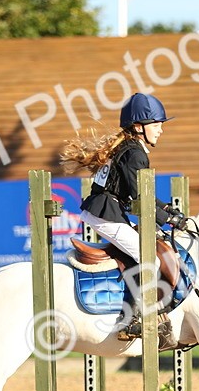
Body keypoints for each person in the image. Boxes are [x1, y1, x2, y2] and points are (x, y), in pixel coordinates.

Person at [60, 93, 185, 339]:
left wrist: (167, 210)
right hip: (105, 213)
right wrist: (166, 219)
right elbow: (140, 196)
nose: (160, 130)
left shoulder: (128, 148)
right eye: (156, 124)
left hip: (106, 210)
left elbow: (142, 190)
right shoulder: (135, 153)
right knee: (150, 258)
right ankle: (131, 319)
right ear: (139, 127)